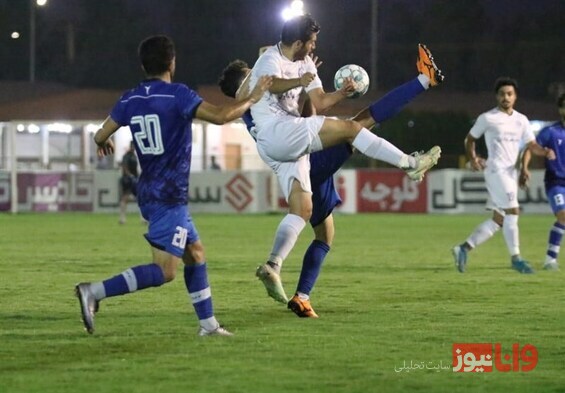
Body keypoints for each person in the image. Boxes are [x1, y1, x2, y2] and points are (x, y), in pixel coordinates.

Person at [219, 44, 443, 317]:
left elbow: (302, 119)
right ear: (245, 81)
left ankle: (301, 296)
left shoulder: (253, 108)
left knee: (324, 235)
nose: (258, 72)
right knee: (360, 124)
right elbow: (267, 54)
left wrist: (303, 81)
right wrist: (296, 70)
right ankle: (422, 88)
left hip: (297, 160)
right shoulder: (259, 92)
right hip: (308, 160)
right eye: (251, 72)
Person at [74, 35, 272, 336]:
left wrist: (104, 141)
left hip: (152, 191)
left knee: (195, 253)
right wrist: (254, 96)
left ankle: (208, 325)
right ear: (172, 62)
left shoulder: (130, 98)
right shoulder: (177, 95)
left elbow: (101, 134)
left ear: (143, 65)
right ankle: (94, 291)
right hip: (167, 196)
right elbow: (220, 117)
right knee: (165, 271)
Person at [451, 77, 555, 274]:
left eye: (509, 94)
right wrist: (472, 159)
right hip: (495, 170)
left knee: (498, 220)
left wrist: (543, 153)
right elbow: (470, 139)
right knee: (513, 211)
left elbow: (530, 146)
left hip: (510, 172)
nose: (506, 97)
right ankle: (516, 259)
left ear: (515, 97)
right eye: (502, 94)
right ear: (496, 97)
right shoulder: (488, 118)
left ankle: (463, 249)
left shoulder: (521, 120)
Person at [520, 93, 565, 271]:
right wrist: (525, 168)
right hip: (556, 183)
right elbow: (530, 149)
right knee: (563, 216)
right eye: (563, 106)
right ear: (560, 109)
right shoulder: (550, 132)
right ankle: (550, 259)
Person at [119, 141, 139, 224]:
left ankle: (143, 218)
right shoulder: (126, 156)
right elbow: (124, 166)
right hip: (127, 179)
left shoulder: (135, 156)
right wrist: (130, 175)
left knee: (139, 198)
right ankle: (122, 218)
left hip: (134, 178)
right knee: (125, 198)